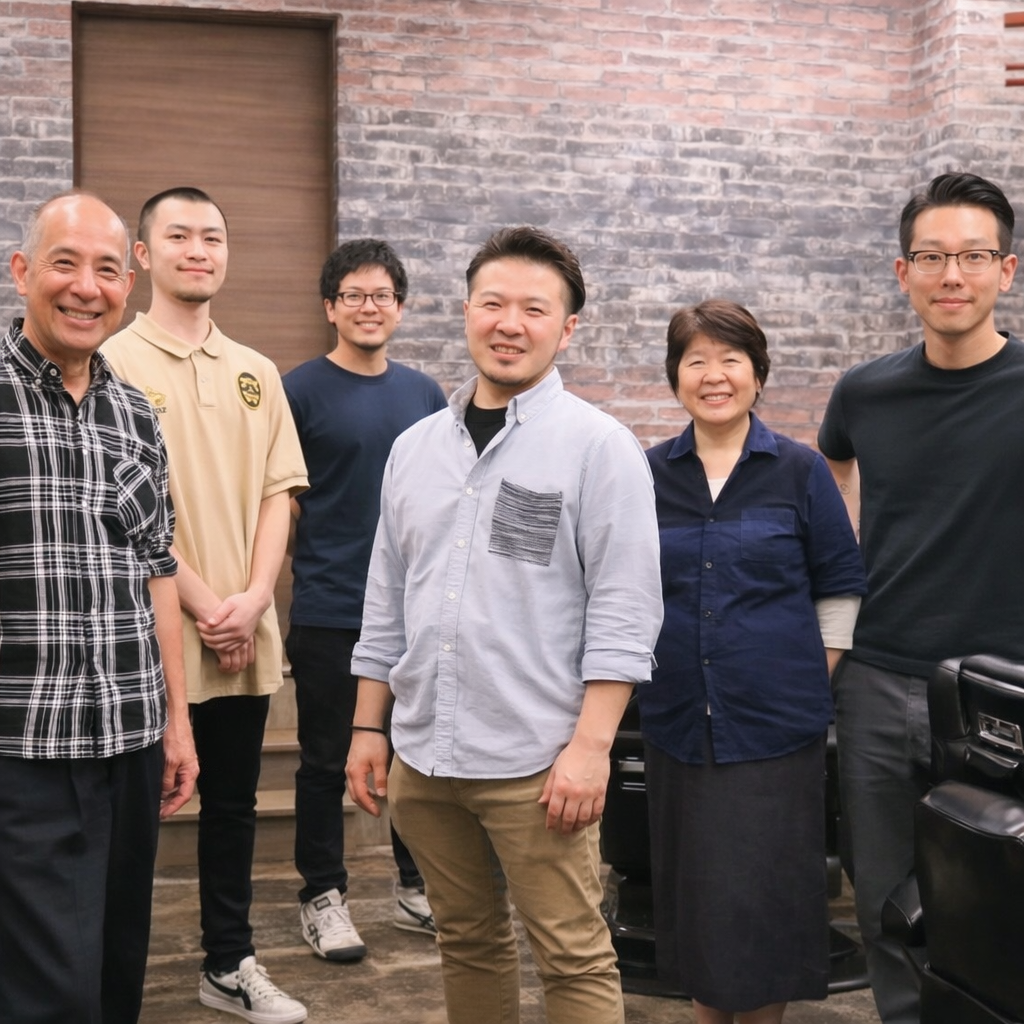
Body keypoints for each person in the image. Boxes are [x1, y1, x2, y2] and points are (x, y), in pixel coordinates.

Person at [345, 225, 663, 1024]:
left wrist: (590, 749)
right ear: (466, 312)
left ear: (568, 328)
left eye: (534, 309)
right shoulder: (414, 449)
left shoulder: (599, 448)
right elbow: (387, 595)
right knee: (466, 941)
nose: (509, 324)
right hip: (425, 753)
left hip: (539, 763)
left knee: (573, 956)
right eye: (492, 303)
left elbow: (626, 610)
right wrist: (368, 727)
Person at [818, 171, 1024, 1024]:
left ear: (1005, 270)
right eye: (931, 257)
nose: (952, 275)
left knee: (1003, 903)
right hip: (878, 676)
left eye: (973, 256)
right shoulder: (865, 391)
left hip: (1004, 685)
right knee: (884, 902)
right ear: (903, 273)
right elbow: (832, 472)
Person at [103, 187, 309, 1024]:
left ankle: (229, 963)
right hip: (151, 641)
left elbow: (278, 494)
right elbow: (123, 512)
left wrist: (253, 600)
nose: (199, 250)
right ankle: (101, 979)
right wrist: (205, 606)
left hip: (244, 635)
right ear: (144, 255)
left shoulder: (258, 371)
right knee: (132, 820)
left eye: (213, 237)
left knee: (233, 809)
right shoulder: (111, 362)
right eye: (180, 236)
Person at [0, 191, 198, 1023]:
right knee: (50, 994)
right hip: (23, 750)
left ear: (128, 284)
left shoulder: (135, 413)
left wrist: (177, 723)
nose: (87, 287)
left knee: (118, 975)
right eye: (65, 264)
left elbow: (158, 570)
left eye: (108, 270)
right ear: (22, 272)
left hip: (130, 742)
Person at [639, 299, 866, 1024]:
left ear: (758, 375)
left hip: (776, 729)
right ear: (675, 376)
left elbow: (839, 585)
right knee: (698, 895)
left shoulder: (800, 470)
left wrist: (802, 677)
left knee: (768, 897)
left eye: (730, 359)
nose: (714, 375)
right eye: (696, 360)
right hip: (679, 722)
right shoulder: (644, 474)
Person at [283, 239, 445, 960]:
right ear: (330, 307)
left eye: (382, 295)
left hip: (417, 612)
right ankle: (323, 896)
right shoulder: (297, 391)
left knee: (415, 754)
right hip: (331, 607)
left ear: (400, 309)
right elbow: (282, 505)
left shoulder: (424, 394)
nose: (368, 307)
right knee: (326, 760)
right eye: (353, 295)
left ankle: (416, 886)